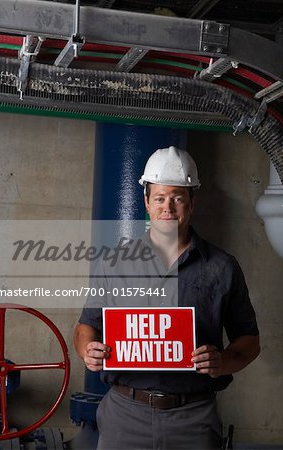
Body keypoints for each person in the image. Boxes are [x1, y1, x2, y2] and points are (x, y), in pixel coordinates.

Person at [74, 146, 260, 450]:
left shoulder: (222, 267)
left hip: (194, 416)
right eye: (159, 198)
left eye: (177, 198)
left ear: (191, 203)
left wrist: (222, 361)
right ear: (146, 203)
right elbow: (85, 328)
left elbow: (250, 340)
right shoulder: (114, 262)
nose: (168, 208)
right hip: (125, 413)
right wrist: (87, 351)